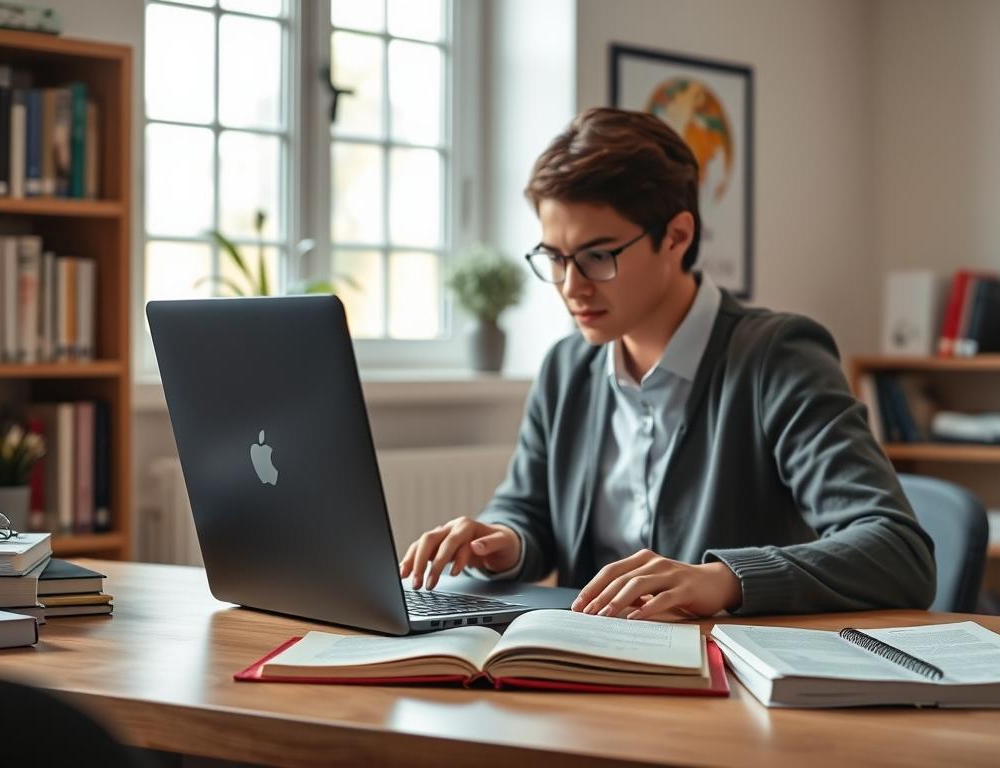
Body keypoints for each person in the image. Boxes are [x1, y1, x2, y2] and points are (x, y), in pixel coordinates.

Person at [399, 107, 935, 619]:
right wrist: (503, 540)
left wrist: (725, 579)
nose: (571, 286)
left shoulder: (777, 357)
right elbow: (529, 512)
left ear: (676, 236)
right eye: (555, 258)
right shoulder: (567, 368)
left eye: (597, 256)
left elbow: (896, 549)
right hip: (592, 668)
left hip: (731, 685)